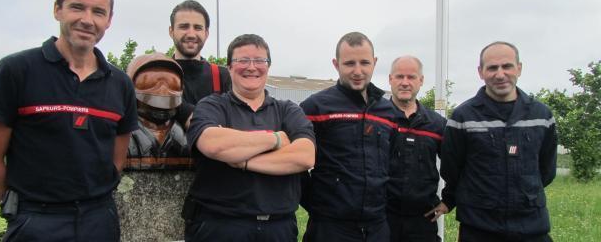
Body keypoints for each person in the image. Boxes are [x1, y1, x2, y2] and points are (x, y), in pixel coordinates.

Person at [0, 0, 138, 241]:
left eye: (98, 11)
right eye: (77, 7)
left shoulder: (120, 83)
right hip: (35, 221)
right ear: (57, 10)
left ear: (108, 21)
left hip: (99, 220)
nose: (87, 19)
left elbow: (115, 161)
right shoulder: (16, 70)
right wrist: (22, 212)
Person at [182, 34, 315, 242]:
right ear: (230, 67)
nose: (251, 67)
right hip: (219, 228)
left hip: (278, 230)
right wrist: (276, 139)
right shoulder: (211, 106)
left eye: (259, 60)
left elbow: (304, 156)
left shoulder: (288, 110)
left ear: (268, 66)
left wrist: (242, 160)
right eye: (242, 60)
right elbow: (213, 144)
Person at [439, 41, 557, 242]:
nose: (500, 74)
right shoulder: (463, 117)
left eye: (507, 66)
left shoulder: (541, 116)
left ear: (519, 68)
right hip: (479, 229)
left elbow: (545, 171)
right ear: (480, 72)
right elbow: (452, 170)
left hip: (531, 227)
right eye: (492, 67)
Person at [300, 32, 394, 242]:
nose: (358, 71)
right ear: (336, 64)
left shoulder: (387, 111)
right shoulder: (315, 107)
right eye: (349, 63)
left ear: (375, 63)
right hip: (330, 227)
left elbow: (392, 165)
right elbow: (296, 164)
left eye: (364, 63)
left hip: (377, 227)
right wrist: (317, 204)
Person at [385, 56, 446, 242]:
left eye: (411, 77)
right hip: (382, 218)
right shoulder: (376, 119)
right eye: (399, 76)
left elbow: (457, 164)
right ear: (390, 79)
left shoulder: (437, 124)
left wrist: (450, 200)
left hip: (423, 220)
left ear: (421, 81)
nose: (405, 83)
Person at [125, 52, 193, 169]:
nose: (163, 91)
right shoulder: (125, 135)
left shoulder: (183, 136)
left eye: (173, 84)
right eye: (149, 83)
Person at [169, 0, 230, 106]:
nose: (191, 34)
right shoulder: (154, 76)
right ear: (171, 31)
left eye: (198, 28)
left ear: (206, 34)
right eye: (184, 27)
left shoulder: (223, 77)